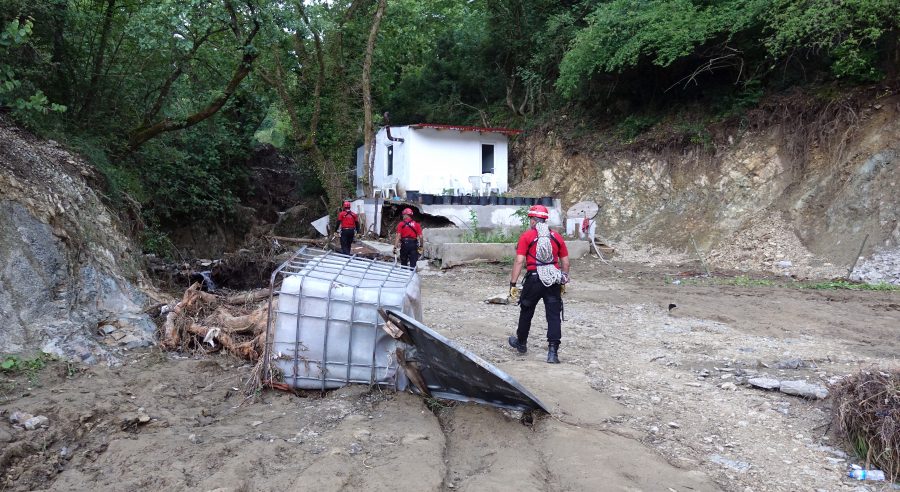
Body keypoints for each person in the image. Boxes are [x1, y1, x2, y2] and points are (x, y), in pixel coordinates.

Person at [507, 204, 570, 363]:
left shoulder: (527, 236)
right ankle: (553, 353)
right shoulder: (556, 237)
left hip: (534, 280)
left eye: (530, 219)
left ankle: (521, 343)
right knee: (554, 316)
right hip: (553, 280)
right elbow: (566, 263)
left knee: (526, 311)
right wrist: (563, 279)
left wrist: (513, 284)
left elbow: (519, 261)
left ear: (533, 220)